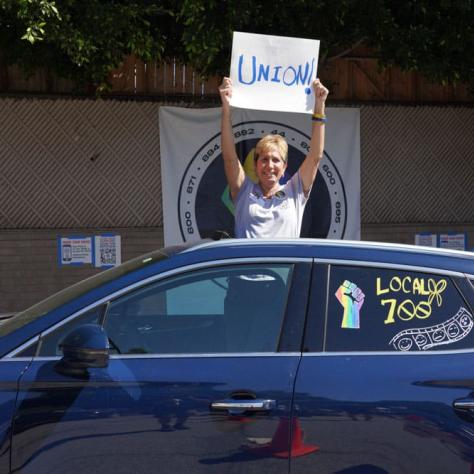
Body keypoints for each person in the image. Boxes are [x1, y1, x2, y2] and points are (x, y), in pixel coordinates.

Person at [219, 77, 329, 238]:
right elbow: (229, 157)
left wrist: (319, 105)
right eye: (264, 159)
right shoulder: (243, 190)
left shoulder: (295, 191)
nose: (269, 165)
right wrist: (226, 107)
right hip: (248, 263)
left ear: (284, 167)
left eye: (276, 160)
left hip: (285, 264)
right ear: (256, 165)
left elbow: (315, 156)